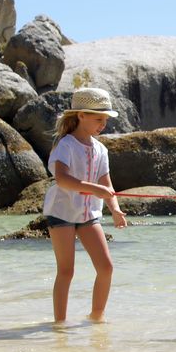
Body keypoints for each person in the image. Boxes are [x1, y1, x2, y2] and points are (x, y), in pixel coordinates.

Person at [42, 87, 128, 324]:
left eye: (105, 120)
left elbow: (106, 184)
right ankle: (60, 324)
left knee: (106, 268)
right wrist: (95, 190)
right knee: (66, 271)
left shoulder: (101, 149)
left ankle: (96, 318)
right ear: (81, 115)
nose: (103, 124)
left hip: (89, 213)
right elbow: (62, 179)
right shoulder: (66, 145)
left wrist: (115, 209)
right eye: (98, 119)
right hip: (62, 212)